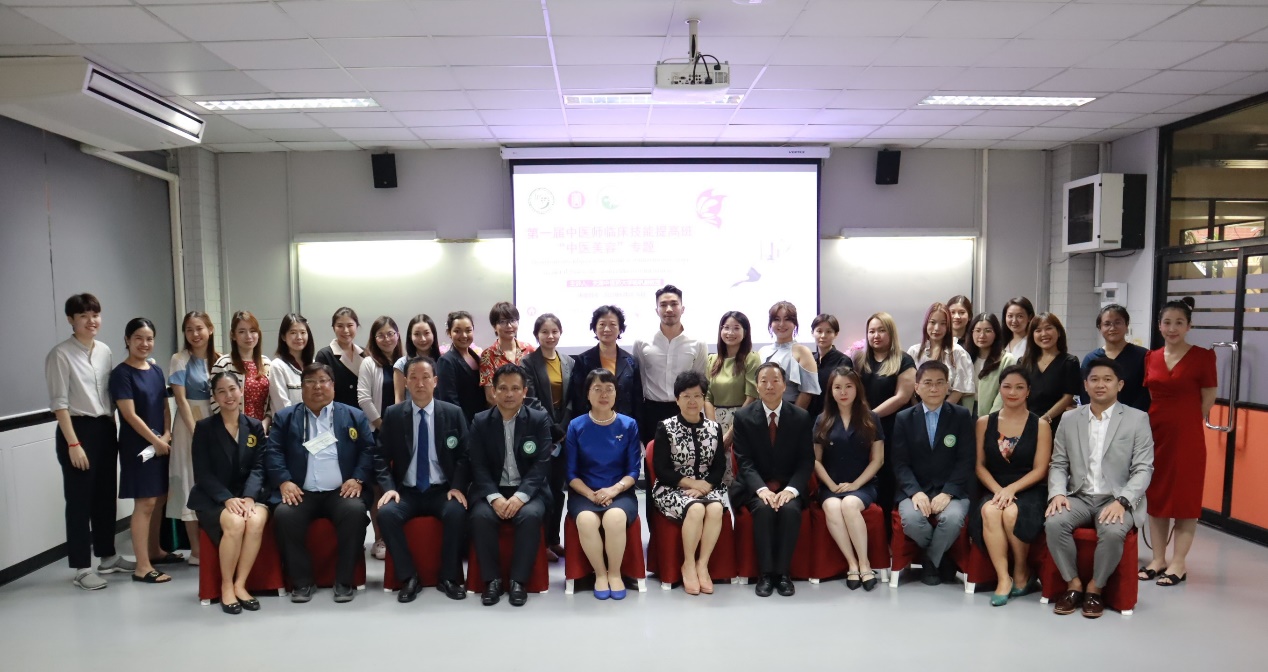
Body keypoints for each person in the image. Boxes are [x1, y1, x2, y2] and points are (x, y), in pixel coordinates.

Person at [1045, 357, 1154, 618]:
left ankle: (1095, 588)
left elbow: (1143, 469)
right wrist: (1057, 493)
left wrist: (1123, 501)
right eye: (1094, 379)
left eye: (1107, 379)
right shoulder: (1069, 418)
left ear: (1120, 385)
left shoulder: (1137, 419)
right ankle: (1073, 584)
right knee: (1054, 523)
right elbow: (1058, 463)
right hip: (1079, 495)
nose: (1100, 385)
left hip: (1115, 497)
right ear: (1085, 385)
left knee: (1114, 531)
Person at [265, 363, 375, 603]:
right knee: (284, 515)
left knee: (355, 512)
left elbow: (369, 450)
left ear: (333, 385)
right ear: (301, 387)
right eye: (310, 381)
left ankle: (344, 581)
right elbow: (273, 452)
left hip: (341, 491)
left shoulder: (353, 415)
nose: (317, 387)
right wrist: (284, 481)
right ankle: (302, 582)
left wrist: (357, 479)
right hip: (300, 491)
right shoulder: (285, 417)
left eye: (323, 380)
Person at [46, 293, 135, 590]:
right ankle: (82, 568)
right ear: (71, 320)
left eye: (95, 314)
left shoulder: (105, 351)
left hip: (105, 428)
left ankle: (108, 557)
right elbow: (59, 404)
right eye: (83, 315)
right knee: (79, 501)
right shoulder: (60, 354)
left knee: (105, 496)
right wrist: (73, 444)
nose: (91, 320)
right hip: (77, 430)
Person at [374, 356, 471, 603]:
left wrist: (457, 486)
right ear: (406, 382)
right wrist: (389, 488)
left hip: (442, 490)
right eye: (414, 378)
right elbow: (380, 457)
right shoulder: (394, 414)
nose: (420, 383)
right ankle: (409, 577)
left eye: (426, 377)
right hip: (406, 491)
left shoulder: (452, 413)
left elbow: (465, 455)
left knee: (457, 511)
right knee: (386, 514)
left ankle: (449, 577)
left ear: (435, 381)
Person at [1139, 297, 1217, 587]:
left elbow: (1208, 398)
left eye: (1179, 323)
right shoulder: (1151, 357)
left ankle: (1179, 563)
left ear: (1189, 326)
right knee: (1157, 496)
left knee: (1185, 499)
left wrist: (1186, 420)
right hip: (1155, 433)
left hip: (1187, 436)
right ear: (1159, 326)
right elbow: (1151, 395)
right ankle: (1158, 559)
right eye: (1167, 322)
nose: (1172, 328)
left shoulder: (1203, 357)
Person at [467, 363, 553, 607]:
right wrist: (494, 497)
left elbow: (542, 464)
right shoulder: (480, 421)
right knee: (481, 516)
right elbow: (478, 465)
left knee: (530, 516)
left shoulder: (538, 419)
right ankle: (492, 581)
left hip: (528, 490)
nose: (509, 394)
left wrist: (520, 497)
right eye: (503, 388)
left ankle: (518, 582)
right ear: (493, 391)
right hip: (492, 490)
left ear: (525, 391)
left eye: (515, 388)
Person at [187, 372, 271, 614]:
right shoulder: (204, 428)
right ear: (214, 397)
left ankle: (240, 585)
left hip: (249, 495)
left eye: (232, 389)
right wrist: (226, 498)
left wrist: (250, 496)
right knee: (235, 523)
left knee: (255, 521)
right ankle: (226, 586)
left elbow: (259, 467)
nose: (228, 396)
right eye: (221, 391)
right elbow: (202, 472)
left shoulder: (254, 426)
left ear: (240, 391)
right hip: (214, 497)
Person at [730, 362, 814, 597]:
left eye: (775, 380)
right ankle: (766, 574)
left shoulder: (801, 417)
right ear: (756, 386)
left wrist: (792, 490)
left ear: (785, 385)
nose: (770, 386)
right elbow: (744, 461)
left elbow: (806, 461)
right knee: (764, 509)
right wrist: (762, 490)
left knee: (790, 510)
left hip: (789, 485)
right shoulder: (743, 417)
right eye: (764, 381)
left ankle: (783, 574)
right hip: (756, 486)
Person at [968, 366, 1051, 606]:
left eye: (1019, 387)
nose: (1012, 392)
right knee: (990, 511)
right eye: (1007, 387)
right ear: (999, 389)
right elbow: (979, 466)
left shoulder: (1041, 425)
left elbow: (1040, 470)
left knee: (1012, 513)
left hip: (1028, 487)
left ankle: (1022, 571)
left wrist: (1011, 490)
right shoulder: (984, 422)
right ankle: (1004, 578)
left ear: (1028, 391)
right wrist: (998, 490)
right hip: (994, 486)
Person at [891, 361, 975, 586]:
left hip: (952, 489)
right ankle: (943, 558)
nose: (934, 388)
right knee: (911, 520)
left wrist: (948, 492)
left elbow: (966, 460)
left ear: (948, 386)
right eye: (927, 383)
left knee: (952, 519)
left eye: (940, 383)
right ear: (917, 387)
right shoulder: (904, 418)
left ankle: (930, 561)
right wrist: (915, 492)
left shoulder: (961, 416)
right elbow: (900, 463)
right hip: (915, 489)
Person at [566, 368, 642, 600]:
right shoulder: (576, 426)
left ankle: (615, 573)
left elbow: (633, 471)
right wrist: (591, 495)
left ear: (616, 393)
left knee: (614, 518)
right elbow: (571, 474)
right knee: (586, 520)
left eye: (609, 389)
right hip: (584, 493)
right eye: (597, 389)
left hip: (620, 492)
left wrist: (613, 490)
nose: (604, 394)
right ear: (587, 394)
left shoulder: (628, 425)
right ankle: (600, 574)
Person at [109, 318, 174, 584]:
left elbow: (165, 406)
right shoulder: (121, 374)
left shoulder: (156, 370)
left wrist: (167, 434)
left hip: (161, 442)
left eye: (149, 338)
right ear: (127, 340)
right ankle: (142, 567)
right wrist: (155, 441)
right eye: (138, 338)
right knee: (145, 502)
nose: (144, 343)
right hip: (138, 446)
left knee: (160, 497)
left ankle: (155, 550)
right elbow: (129, 415)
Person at [651, 371, 727, 596]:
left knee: (715, 508)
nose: (692, 401)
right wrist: (690, 483)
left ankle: (703, 564)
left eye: (697, 396)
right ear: (677, 399)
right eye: (686, 396)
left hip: (707, 487)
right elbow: (661, 469)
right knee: (695, 509)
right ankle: (688, 564)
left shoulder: (714, 428)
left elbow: (719, 467)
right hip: (672, 488)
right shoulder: (666, 427)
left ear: (704, 398)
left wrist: (705, 485)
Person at [813, 367, 884, 591]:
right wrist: (831, 485)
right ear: (830, 391)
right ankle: (852, 564)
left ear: (857, 388)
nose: (843, 392)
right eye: (837, 387)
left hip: (862, 484)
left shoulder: (871, 418)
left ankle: (865, 563)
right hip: (831, 485)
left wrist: (856, 484)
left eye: (848, 386)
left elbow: (878, 460)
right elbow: (815, 460)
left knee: (850, 504)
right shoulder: (822, 420)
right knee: (833, 506)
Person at [854, 312, 916, 526]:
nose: (876, 335)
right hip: (864, 428)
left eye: (881, 330)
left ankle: (890, 532)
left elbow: (902, 397)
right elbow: (854, 392)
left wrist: (871, 416)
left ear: (891, 333)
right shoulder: (859, 359)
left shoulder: (904, 360)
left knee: (890, 477)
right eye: (871, 331)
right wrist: (863, 418)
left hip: (893, 428)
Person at [168, 310, 219, 566]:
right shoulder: (179, 359)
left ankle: (216, 544)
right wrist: (196, 432)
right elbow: (180, 400)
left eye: (199, 328)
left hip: (216, 421)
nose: (195, 334)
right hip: (189, 425)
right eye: (189, 330)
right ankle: (196, 551)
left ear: (210, 329)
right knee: (190, 480)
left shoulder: (220, 359)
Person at [521, 313, 573, 561]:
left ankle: (554, 539)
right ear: (536, 335)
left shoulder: (569, 361)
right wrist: (553, 428)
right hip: (540, 433)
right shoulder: (528, 363)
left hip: (564, 432)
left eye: (554, 331)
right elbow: (530, 399)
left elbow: (572, 398)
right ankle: (540, 543)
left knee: (559, 489)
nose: (550, 336)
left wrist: (563, 427)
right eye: (544, 332)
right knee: (543, 490)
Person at [633, 285, 709, 444]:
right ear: (657, 310)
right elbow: (639, 378)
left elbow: (701, 380)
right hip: (652, 411)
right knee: (653, 457)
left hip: (686, 409)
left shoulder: (698, 343)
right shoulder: (642, 342)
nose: (669, 309)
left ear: (682, 309)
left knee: (686, 457)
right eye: (663, 305)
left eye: (674, 304)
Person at [356, 316, 402, 560]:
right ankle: (379, 539)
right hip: (377, 433)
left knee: (399, 485)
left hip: (402, 434)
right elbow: (363, 398)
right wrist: (382, 425)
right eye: (381, 335)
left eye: (390, 333)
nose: (387, 339)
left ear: (398, 335)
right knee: (378, 488)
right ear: (374, 339)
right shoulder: (369, 363)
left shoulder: (403, 361)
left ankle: (398, 536)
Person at [570, 305, 643, 421]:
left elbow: (637, 400)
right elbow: (579, 399)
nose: (607, 329)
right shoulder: (582, 360)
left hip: (624, 424)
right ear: (595, 329)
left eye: (612, 324)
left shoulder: (631, 361)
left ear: (620, 329)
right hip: (592, 423)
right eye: (602, 324)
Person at [704, 311, 759, 456]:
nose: (730, 333)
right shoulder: (712, 360)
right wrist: (714, 429)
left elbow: (752, 397)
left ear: (745, 332)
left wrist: (730, 433)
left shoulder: (751, 358)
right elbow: (707, 397)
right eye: (726, 328)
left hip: (742, 420)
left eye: (736, 328)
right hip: (715, 421)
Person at [1080, 304, 1150, 413]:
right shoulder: (1091, 359)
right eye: (1107, 324)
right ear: (1099, 327)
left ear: (1126, 325)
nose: (1112, 328)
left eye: (1118, 322)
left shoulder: (1142, 355)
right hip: (1099, 418)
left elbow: (1145, 394)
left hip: (1134, 418)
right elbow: (1085, 394)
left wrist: (1130, 417)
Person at [1021, 312, 1081, 432]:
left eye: (1048, 328)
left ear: (1059, 332)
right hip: (1026, 423)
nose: (1044, 334)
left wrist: (1044, 419)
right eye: (1038, 330)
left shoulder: (1069, 362)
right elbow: (1020, 393)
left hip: (1057, 424)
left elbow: (1068, 397)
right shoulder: (1023, 362)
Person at [907, 302, 975, 407]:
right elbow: (909, 387)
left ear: (948, 326)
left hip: (948, 407)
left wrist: (939, 411)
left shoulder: (958, 353)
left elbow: (959, 390)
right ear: (926, 324)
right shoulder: (914, 351)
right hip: (918, 407)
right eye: (932, 322)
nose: (937, 328)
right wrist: (919, 410)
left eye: (943, 324)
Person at [211, 311, 271, 426]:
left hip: (262, 429)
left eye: (252, 331)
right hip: (232, 429)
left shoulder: (267, 363)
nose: (248, 336)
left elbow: (272, 402)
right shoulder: (223, 364)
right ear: (233, 335)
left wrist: (265, 423)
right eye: (242, 331)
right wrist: (235, 428)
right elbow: (214, 403)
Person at [758, 301, 820, 410]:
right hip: (761, 411)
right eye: (776, 319)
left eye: (787, 319)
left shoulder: (803, 352)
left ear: (795, 323)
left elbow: (807, 392)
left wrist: (792, 416)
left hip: (790, 410)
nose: (781, 324)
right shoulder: (762, 351)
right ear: (770, 323)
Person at [479, 302, 536, 405]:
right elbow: (491, 397)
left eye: (513, 320)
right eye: (503, 322)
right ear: (494, 326)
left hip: (529, 410)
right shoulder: (488, 355)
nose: (509, 326)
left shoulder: (529, 349)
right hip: (501, 412)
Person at [436, 310, 487, 423]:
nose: (464, 335)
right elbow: (449, 401)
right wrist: (464, 426)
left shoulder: (478, 358)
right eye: (457, 331)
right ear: (449, 333)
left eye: (468, 330)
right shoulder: (446, 361)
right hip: (463, 424)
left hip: (482, 423)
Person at [963, 313, 1015, 416]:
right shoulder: (965, 357)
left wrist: (991, 418)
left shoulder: (1006, 359)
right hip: (966, 412)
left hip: (993, 413)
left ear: (996, 333)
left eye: (988, 331)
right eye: (977, 330)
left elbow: (1004, 393)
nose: (982, 335)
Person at [314, 307, 365, 409]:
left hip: (362, 413)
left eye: (350, 325)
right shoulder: (324, 355)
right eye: (340, 326)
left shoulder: (365, 354)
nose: (345, 330)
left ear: (356, 326)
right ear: (333, 328)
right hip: (336, 412)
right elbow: (321, 390)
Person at [268, 313, 313, 413]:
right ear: (283, 336)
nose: (299, 337)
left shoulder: (313, 364)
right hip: (289, 422)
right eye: (293, 333)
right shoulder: (278, 366)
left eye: (303, 332)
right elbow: (283, 407)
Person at [809, 313, 850, 419]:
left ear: (836, 334)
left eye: (828, 331)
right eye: (819, 331)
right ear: (812, 333)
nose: (823, 336)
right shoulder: (809, 359)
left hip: (832, 417)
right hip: (809, 417)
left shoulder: (843, 361)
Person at [393, 314, 441, 404]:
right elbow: (399, 398)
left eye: (426, 333)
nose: (423, 339)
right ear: (410, 336)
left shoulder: (442, 361)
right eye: (417, 334)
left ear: (433, 334)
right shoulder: (401, 364)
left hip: (440, 411)